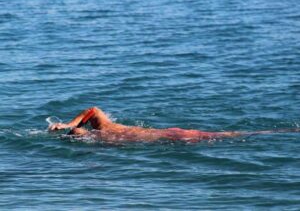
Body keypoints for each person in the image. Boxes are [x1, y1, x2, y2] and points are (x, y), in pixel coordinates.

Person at [48, 107, 299, 143]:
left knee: (223, 136)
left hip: (170, 136)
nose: (77, 129)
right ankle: (284, 131)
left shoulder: (101, 134)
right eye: (75, 130)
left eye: (77, 128)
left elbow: (92, 109)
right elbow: (91, 112)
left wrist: (64, 124)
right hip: (168, 135)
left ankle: (283, 131)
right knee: (222, 135)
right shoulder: (102, 134)